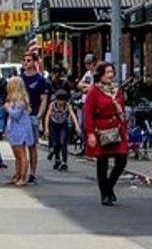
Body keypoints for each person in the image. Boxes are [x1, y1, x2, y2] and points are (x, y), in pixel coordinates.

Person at [83, 63, 130, 205]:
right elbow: (88, 114)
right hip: (101, 130)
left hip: (117, 128)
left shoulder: (117, 90)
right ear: (100, 74)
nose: (111, 75)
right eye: (108, 72)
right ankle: (105, 194)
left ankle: (109, 187)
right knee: (102, 162)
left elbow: (121, 109)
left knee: (122, 160)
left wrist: (125, 129)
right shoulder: (94, 91)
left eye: (112, 72)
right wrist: (90, 133)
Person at [21, 55, 50, 184]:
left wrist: (39, 114)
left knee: (32, 146)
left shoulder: (40, 79)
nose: (26, 63)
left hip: (32, 115)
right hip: (20, 116)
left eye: (29, 60)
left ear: (34, 62)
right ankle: (21, 172)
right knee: (19, 145)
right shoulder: (19, 78)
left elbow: (44, 98)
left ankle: (32, 172)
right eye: (24, 60)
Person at [3, 77, 33, 186]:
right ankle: (17, 174)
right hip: (14, 130)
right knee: (17, 155)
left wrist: (8, 108)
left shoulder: (20, 100)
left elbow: (16, 115)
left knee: (21, 155)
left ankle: (23, 176)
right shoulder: (12, 100)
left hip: (21, 130)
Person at [45, 90, 81, 172]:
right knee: (55, 143)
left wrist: (77, 126)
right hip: (54, 125)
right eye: (59, 100)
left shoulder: (67, 106)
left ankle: (64, 162)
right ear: (56, 99)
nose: (61, 102)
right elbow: (48, 116)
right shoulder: (52, 105)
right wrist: (46, 129)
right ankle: (57, 159)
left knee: (63, 142)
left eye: (63, 100)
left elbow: (73, 115)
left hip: (63, 125)